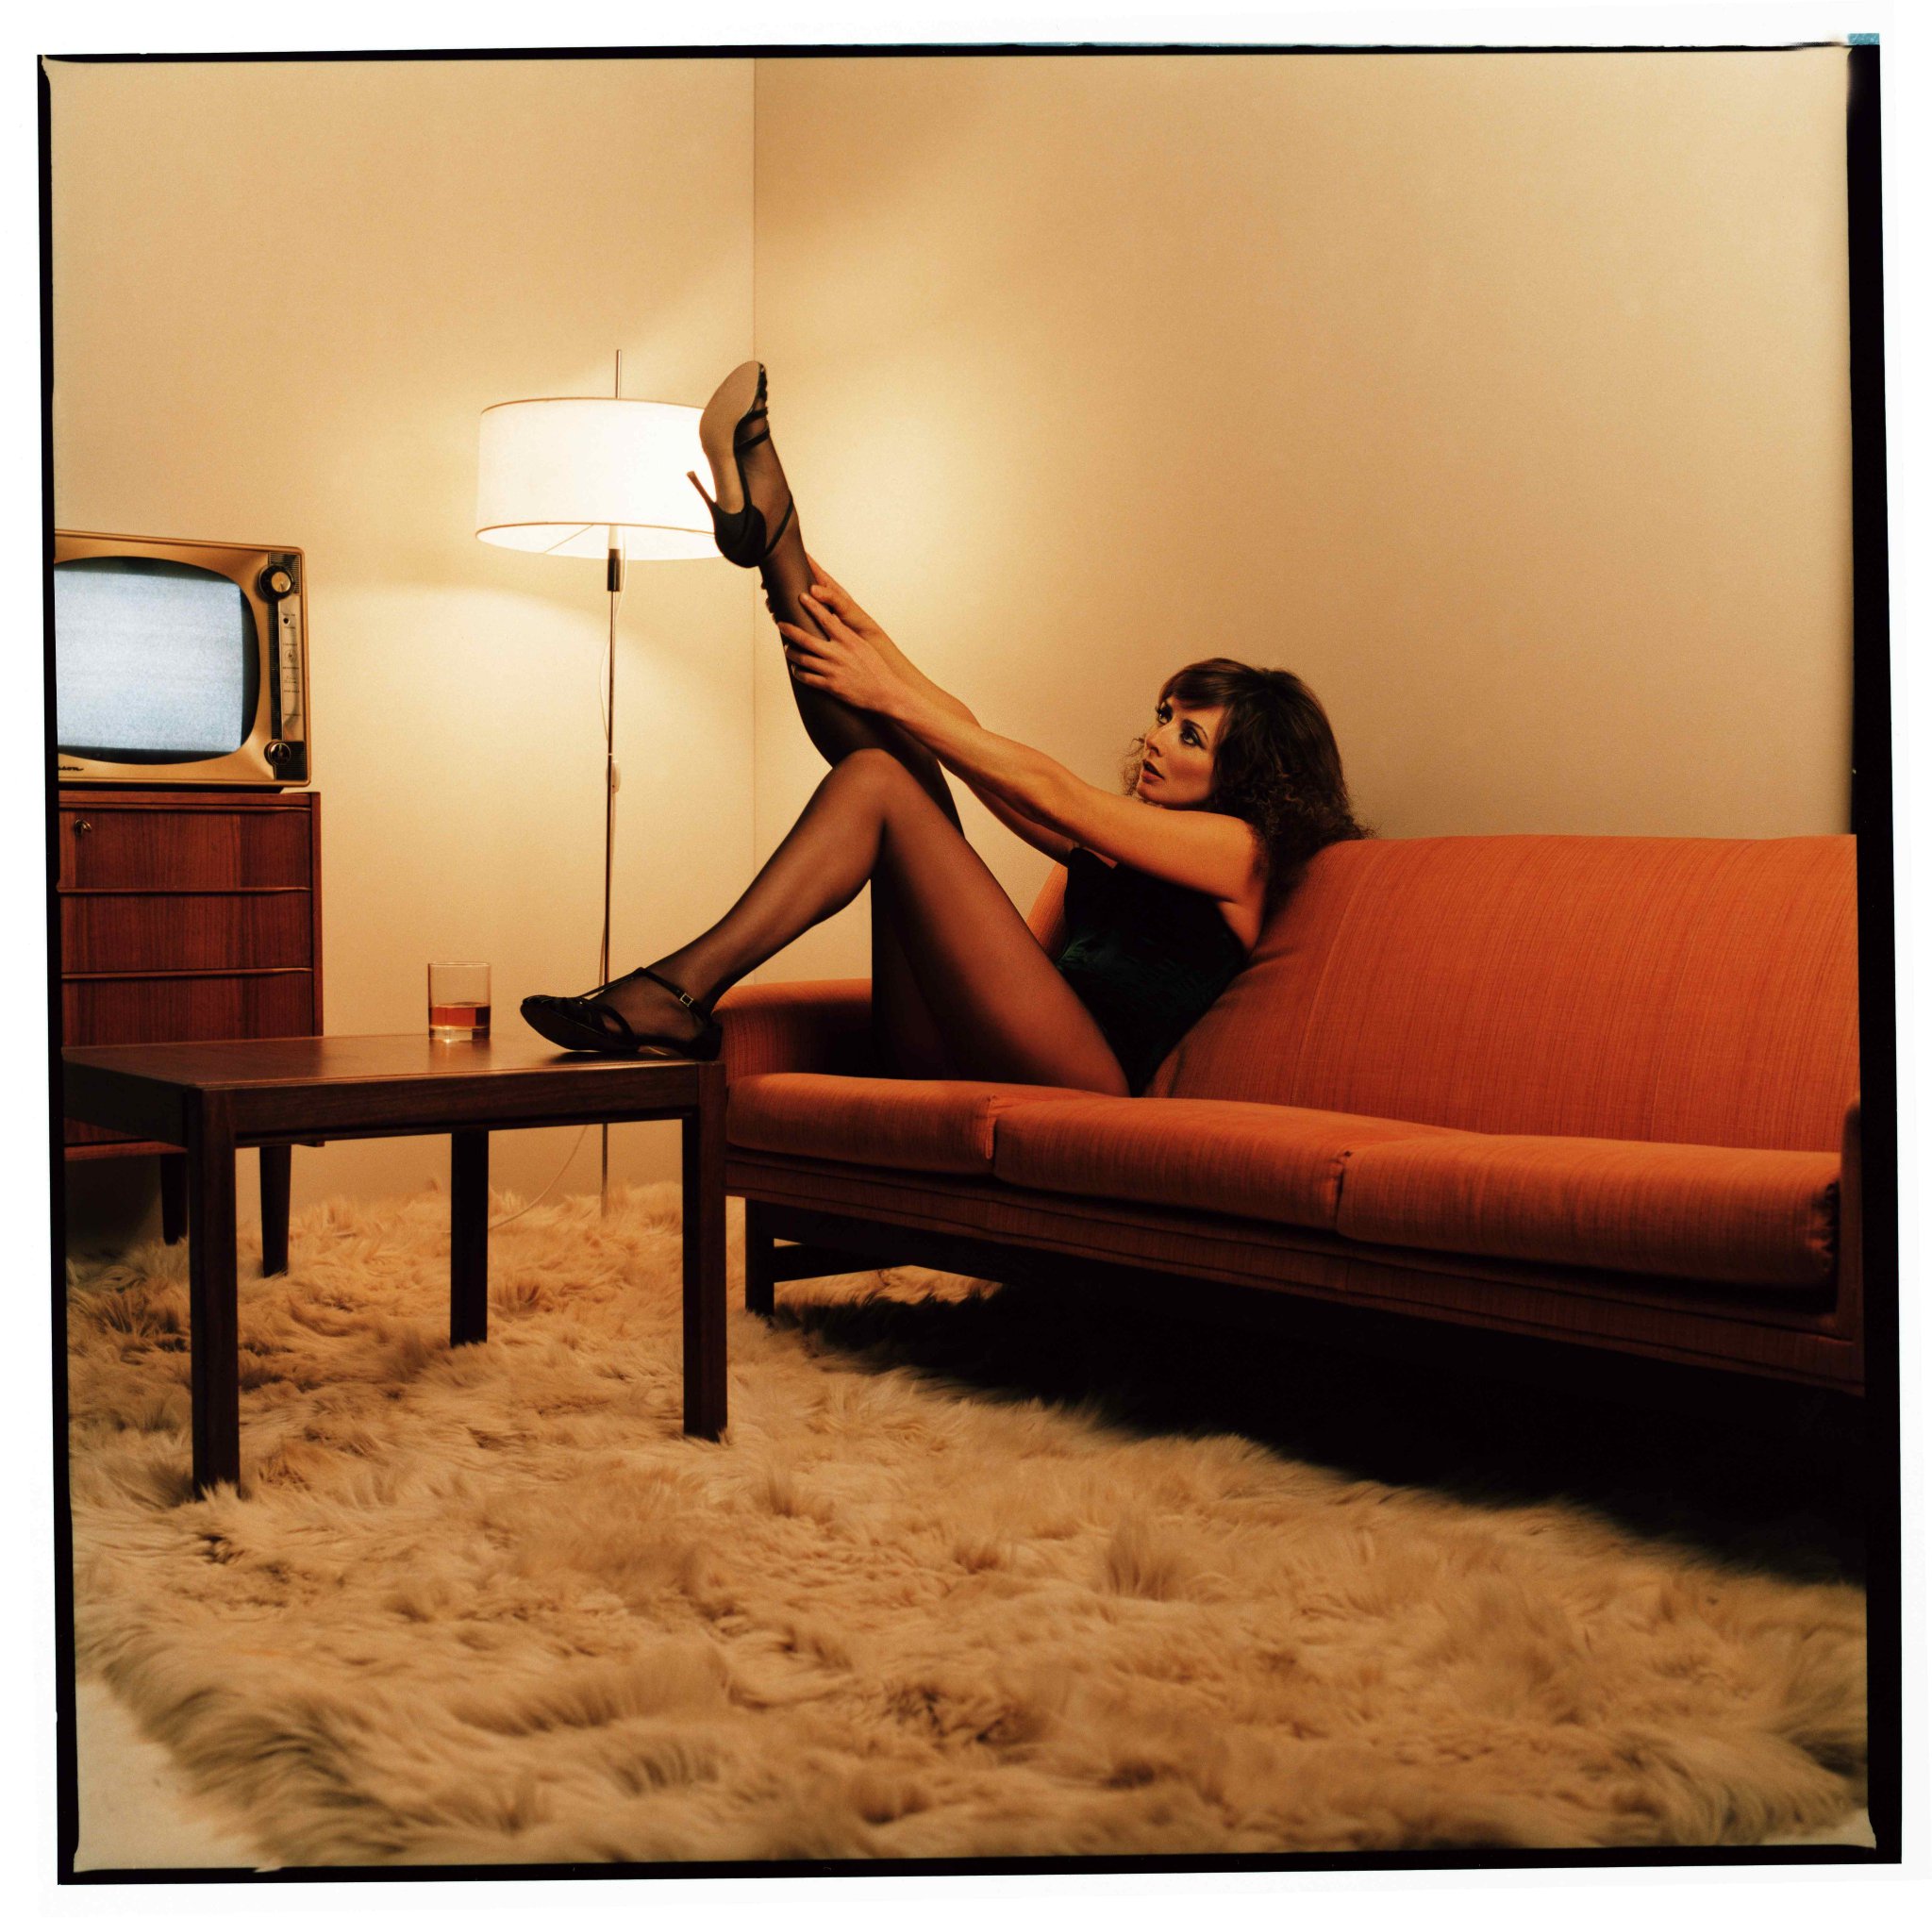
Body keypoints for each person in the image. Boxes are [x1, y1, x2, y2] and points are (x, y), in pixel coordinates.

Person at [520, 361, 1366, 1094]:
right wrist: (857, 630)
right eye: (1165, 715)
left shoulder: (1238, 853)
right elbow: (970, 747)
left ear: (1247, 776)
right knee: (901, 767)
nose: (1156, 738)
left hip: (1086, 1073)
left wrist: (890, 694)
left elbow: (1054, 790)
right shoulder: (1133, 850)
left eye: (1190, 737)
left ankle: (678, 991)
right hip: (971, 1039)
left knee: (884, 780)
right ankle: (775, 540)